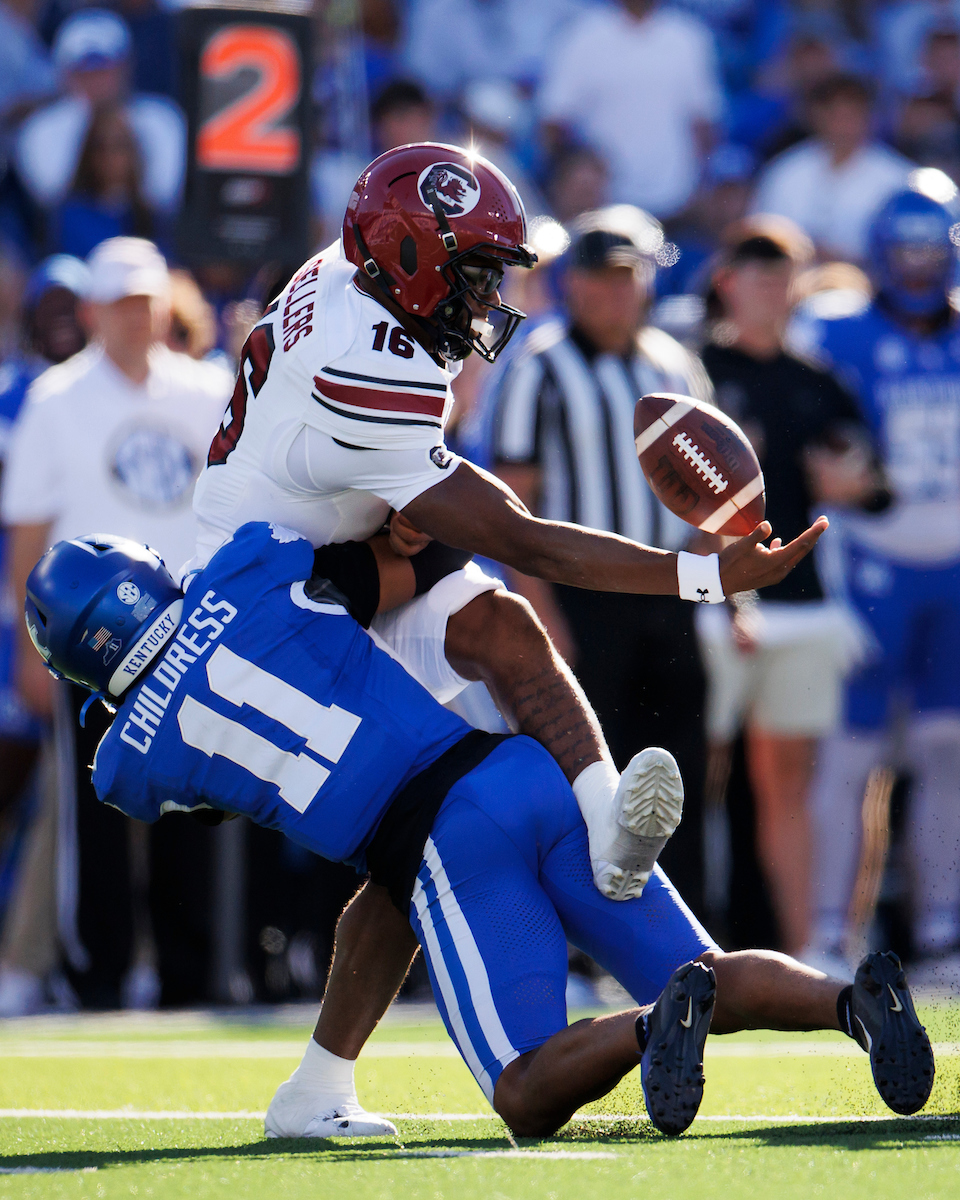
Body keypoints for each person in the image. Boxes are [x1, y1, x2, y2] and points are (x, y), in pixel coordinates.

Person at [188, 141, 828, 1135]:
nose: (491, 294)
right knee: (425, 820)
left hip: (328, 550)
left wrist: (389, 495)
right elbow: (528, 539)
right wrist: (705, 574)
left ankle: (606, 821)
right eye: (478, 270)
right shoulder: (366, 363)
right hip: (271, 614)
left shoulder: (355, 278)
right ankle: (317, 1088)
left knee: (498, 623)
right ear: (410, 258)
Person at [22, 519, 936, 1137]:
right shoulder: (247, 568)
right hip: (520, 767)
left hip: (443, 845)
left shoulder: (127, 768)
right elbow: (375, 569)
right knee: (706, 968)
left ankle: (651, 1026)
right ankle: (849, 1003)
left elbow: (205, 784)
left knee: (524, 1092)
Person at [1, 236, 231, 1008]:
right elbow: (27, 534)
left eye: (147, 302)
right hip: (90, 645)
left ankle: (188, 975)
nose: (137, 316)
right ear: (95, 310)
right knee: (92, 816)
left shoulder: (208, 389)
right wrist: (30, 649)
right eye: (122, 303)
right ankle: (94, 975)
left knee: (191, 806)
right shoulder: (55, 399)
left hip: (191, 635)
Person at [486, 205, 715, 917]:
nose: (614, 293)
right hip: (580, 594)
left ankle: (677, 927)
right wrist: (543, 615)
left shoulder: (673, 363)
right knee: (589, 770)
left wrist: (711, 586)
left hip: (667, 593)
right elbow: (515, 503)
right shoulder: (540, 366)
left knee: (676, 768)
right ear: (573, 284)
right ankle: (585, 924)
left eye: (626, 277)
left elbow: (709, 493)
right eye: (600, 278)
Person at [697, 216, 883, 959]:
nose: (773, 290)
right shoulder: (693, 373)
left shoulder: (817, 381)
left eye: (784, 276)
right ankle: (675, 952)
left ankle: (802, 958)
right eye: (759, 274)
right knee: (687, 781)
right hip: (708, 597)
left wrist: (856, 483)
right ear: (727, 282)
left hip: (800, 602)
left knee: (789, 789)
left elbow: (875, 484)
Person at [796, 186, 960, 984]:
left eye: (932, 250)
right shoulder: (835, 330)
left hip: (953, 565)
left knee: (946, 749)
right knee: (850, 753)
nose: (920, 267)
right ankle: (830, 931)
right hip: (869, 562)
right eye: (908, 251)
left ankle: (941, 932)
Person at [0, 254, 89, 1017]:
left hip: (88, 629)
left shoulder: (90, 393)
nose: (62, 318)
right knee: (49, 802)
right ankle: (25, 958)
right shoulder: (22, 398)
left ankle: (54, 958)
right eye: (49, 303)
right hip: (26, 623)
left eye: (74, 303)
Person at [538, 0, 723, 219]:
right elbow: (554, 120)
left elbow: (705, 121)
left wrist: (699, 188)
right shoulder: (583, 35)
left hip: (675, 199)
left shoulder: (689, 37)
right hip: (601, 204)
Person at [15, 8, 185, 218]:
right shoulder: (40, 128)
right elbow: (52, 195)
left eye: (105, 68)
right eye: (84, 70)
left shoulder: (164, 118)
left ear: (126, 66)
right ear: (65, 73)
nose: (96, 80)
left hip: (149, 231)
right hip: (76, 234)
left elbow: (166, 194)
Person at [751, 74, 913, 262]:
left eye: (852, 113)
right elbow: (758, 240)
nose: (843, 124)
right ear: (816, 116)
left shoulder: (898, 177)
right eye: (834, 114)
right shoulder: (784, 171)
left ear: (870, 116)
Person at [51, 102, 158, 260]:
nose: (109, 157)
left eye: (119, 146)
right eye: (100, 147)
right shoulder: (70, 217)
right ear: (88, 154)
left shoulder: (152, 219)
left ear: (134, 153)